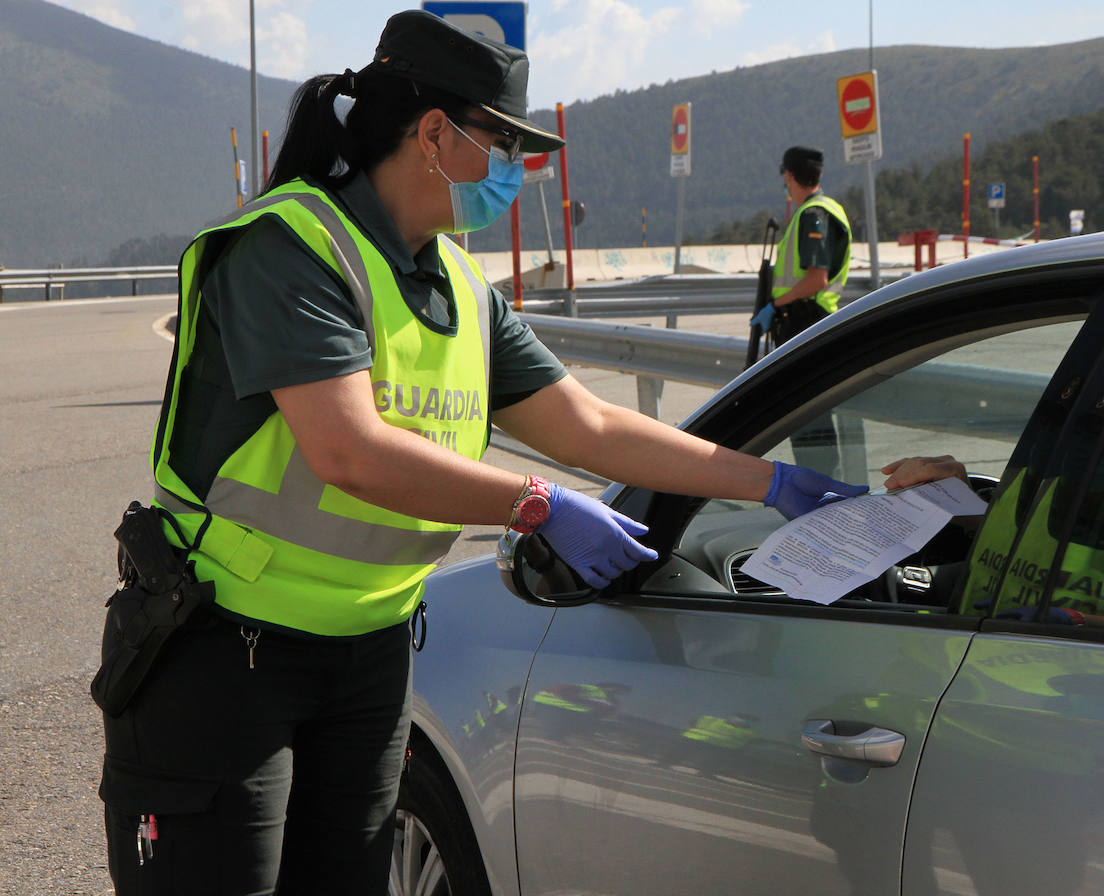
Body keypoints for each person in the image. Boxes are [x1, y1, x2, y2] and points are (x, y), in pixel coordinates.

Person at [96, 12, 864, 895]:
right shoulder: (291, 248)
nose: (518, 169)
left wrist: (768, 480)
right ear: (433, 135)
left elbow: (591, 427)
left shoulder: (461, 285)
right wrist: (534, 505)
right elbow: (349, 450)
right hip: (231, 655)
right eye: (504, 143)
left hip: (369, 655)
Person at [880, 455, 1104, 632]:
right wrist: (947, 490)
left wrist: (1071, 620)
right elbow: (989, 524)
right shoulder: (1028, 498)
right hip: (960, 668)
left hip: (1072, 699)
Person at [750, 146, 853, 345]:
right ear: (819, 174)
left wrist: (774, 305)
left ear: (789, 176)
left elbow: (817, 280)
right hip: (812, 319)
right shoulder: (829, 208)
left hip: (806, 320)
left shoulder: (813, 214)